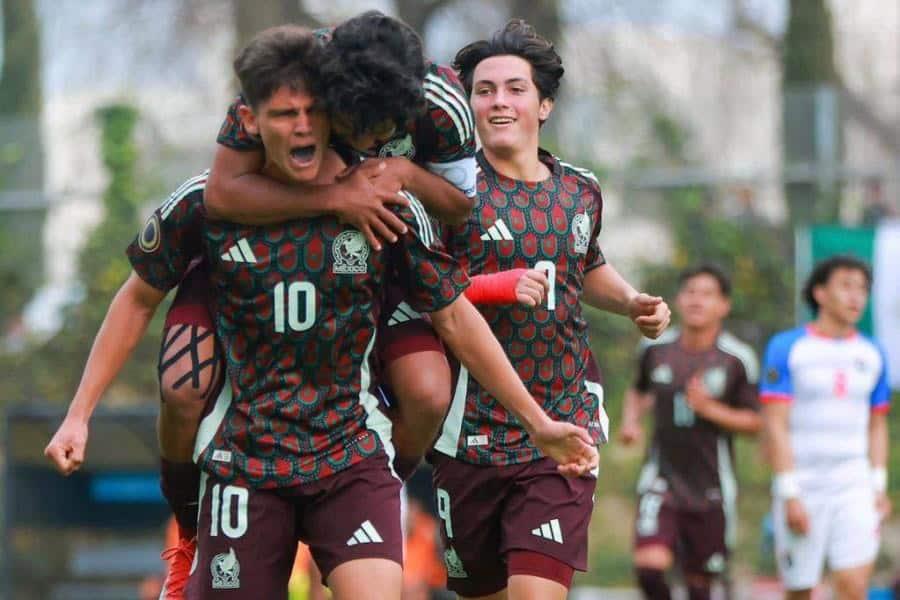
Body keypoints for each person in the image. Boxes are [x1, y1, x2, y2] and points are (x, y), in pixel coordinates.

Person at [46, 25, 596, 600]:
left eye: (315, 115)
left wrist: (538, 424)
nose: (304, 125)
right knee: (183, 386)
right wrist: (79, 414)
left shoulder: (400, 185)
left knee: (428, 391)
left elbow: (456, 302)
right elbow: (166, 260)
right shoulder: (223, 176)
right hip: (248, 457)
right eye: (287, 116)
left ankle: (383, 494)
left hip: (347, 453)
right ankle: (189, 525)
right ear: (254, 120)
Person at [429, 20, 672, 600]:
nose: (498, 102)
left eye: (514, 89)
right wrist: (494, 285)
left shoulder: (581, 189)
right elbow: (427, 294)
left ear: (545, 105)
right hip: (470, 431)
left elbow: (584, 266)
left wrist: (631, 299)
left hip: (563, 424)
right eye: (484, 91)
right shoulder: (447, 196)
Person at [618, 265, 761, 600]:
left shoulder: (736, 359)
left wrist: (710, 409)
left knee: (701, 587)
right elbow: (638, 390)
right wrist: (631, 421)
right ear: (678, 300)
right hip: (661, 478)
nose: (697, 300)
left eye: (707, 293)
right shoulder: (654, 348)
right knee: (650, 571)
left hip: (711, 485)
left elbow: (756, 422)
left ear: (724, 305)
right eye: (691, 292)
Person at [761, 256, 891, 600]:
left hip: (853, 484)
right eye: (846, 286)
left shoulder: (873, 352)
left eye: (862, 289)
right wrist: (789, 492)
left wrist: (878, 484)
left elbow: (878, 425)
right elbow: (775, 424)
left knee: (852, 585)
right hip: (803, 484)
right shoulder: (787, 347)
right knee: (801, 589)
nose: (856, 297)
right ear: (819, 293)